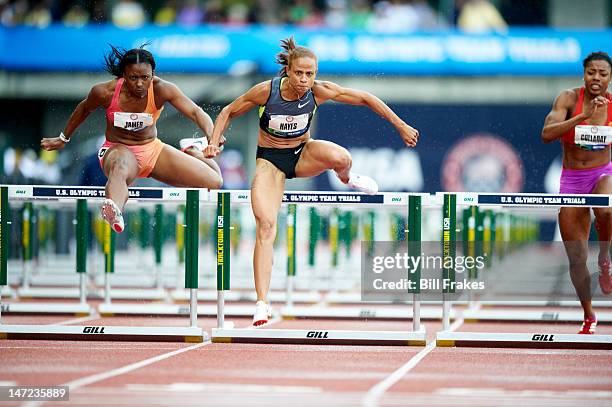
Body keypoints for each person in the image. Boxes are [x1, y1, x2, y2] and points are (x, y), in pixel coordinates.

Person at [204, 37, 419, 326]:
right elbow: (228, 111)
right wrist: (214, 143)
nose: (305, 80)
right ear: (288, 71)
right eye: (299, 74)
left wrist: (401, 125)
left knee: (342, 158)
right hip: (270, 161)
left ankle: (348, 179)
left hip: (303, 153)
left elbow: (367, 98)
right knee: (265, 227)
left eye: (311, 74)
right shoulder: (265, 92)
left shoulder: (318, 91)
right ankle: (262, 303)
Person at [41, 45, 223, 233]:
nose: (139, 84)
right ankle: (114, 210)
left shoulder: (162, 89)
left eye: (145, 77)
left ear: (152, 74)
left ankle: (192, 149)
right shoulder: (104, 92)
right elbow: (84, 109)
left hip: (152, 150)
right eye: (133, 78)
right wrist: (63, 138)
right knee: (120, 167)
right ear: (123, 76)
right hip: (117, 149)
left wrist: (212, 137)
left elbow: (195, 112)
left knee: (214, 181)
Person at [541, 51, 612, 334]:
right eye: (591, 72)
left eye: (603, 74)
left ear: (609, 77)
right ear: (584, 74)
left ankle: (605, 257)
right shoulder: (568, 99)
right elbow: (546, 134)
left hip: (603, 173)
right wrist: (582, 116)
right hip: (572, 179)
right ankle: (589, 314)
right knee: (576, 257)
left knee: (606, 208)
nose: (596, 78)